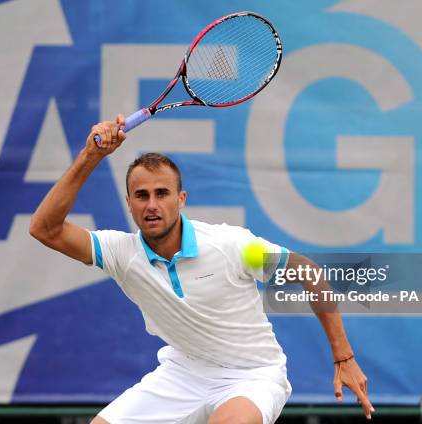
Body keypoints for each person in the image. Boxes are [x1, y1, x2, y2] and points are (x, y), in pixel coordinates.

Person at [29, 115, 374, 424]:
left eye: (162, 193)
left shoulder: (231, 246)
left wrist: (343, 356)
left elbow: (308, 272)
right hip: (183, 374)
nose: (152, 205)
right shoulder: (121, 252)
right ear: (129, 204)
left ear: (181, 200)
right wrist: (91, 156)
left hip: (252, 375)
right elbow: (45, 229)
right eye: (142, 195)